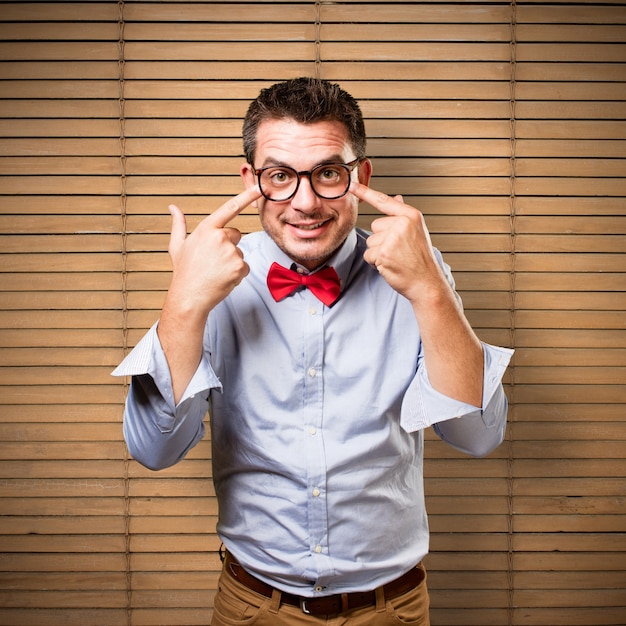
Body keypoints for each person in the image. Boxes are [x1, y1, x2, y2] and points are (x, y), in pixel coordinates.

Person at [114, 77, 513, 625]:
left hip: (391, 608)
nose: (304, 203)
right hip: (252, 606)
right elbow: (155, 450)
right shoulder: (209, 277)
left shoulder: (419, 270)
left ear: (361, 177)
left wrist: (429, 290)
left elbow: (477, 436)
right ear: (251, 181)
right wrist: (183, 303)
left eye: (327, 172)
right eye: (280, 176)